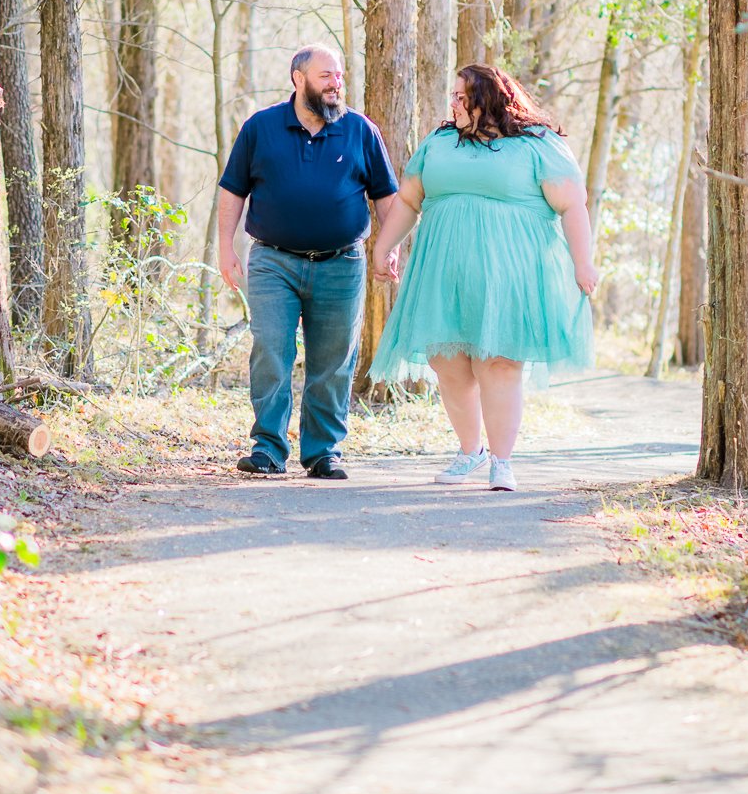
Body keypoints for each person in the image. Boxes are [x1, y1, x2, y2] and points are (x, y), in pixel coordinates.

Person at [370, 64, 597, 492]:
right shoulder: (439, 142)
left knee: (499, 362)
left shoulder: (536, 145)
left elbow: (572, 206)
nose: (452, 103)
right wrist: (385, 246)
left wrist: (582, 262)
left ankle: (502, 461)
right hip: (443, 271)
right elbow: (408, 200)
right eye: (452, 96)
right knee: (447, 361)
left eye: (460, 96)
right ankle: (469, 450)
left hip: (510, 272)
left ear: (488, 99)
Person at [218, 44, 398, 479]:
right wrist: (225, 246)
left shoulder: (360, 131)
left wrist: (388, 247)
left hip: (342, 263)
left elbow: (387, 198)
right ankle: (268, 449)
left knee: (334, 360)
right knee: (271, 352)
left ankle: (323, 452)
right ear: (298, 79)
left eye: (339, 76)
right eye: (326, 76)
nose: (336, 83)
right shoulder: (261, 128)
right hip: (273, 262)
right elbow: (232, 191)